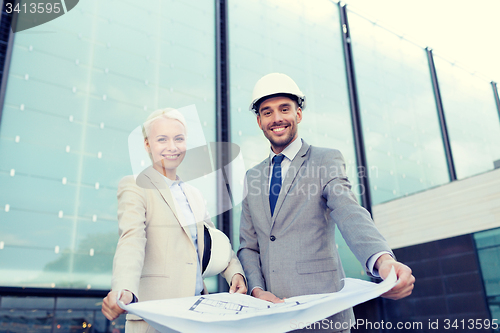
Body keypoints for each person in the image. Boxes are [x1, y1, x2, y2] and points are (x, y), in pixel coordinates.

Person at [237, 73, 415, 333]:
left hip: (323, 316)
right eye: (267, 112)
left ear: (298, 114)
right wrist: (256, 289)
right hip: (270, 318)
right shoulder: (252, 176)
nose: (276, 118)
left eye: (284, 109)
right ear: (259, 121)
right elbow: (248, 246)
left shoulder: (325, 160)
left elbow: (349, 211)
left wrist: (382, 260)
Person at [102, 108, 247, 333]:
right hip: (155, 319)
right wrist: (123, 289)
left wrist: (235, 273)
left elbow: (215, 243)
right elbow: (131, 240)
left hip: (197, 317)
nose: (172, 147)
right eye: (162, 139)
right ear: (147, 144)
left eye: (179, 139)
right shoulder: (135, 184)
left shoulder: (195, 195)